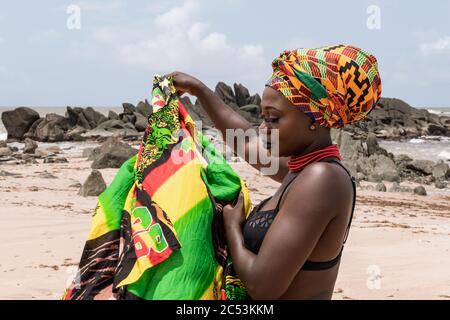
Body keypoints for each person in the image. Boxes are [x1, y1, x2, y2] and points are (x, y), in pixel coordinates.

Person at [168, 44, 382, 300]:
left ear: (314, 120)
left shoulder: (322, 179)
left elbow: (262, 286)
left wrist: (232, 227)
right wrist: (199, 90)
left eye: (273, 118)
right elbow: (245, 141)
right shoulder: (299, 169)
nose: (263, 128)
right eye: (262, 117)